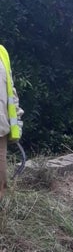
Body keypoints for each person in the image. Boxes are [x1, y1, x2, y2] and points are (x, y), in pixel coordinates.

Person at [0, 44, 24, 200]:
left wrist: (17, 120)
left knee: (1, 182)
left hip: (0, 128)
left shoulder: (2, 52)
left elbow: (10, 90)